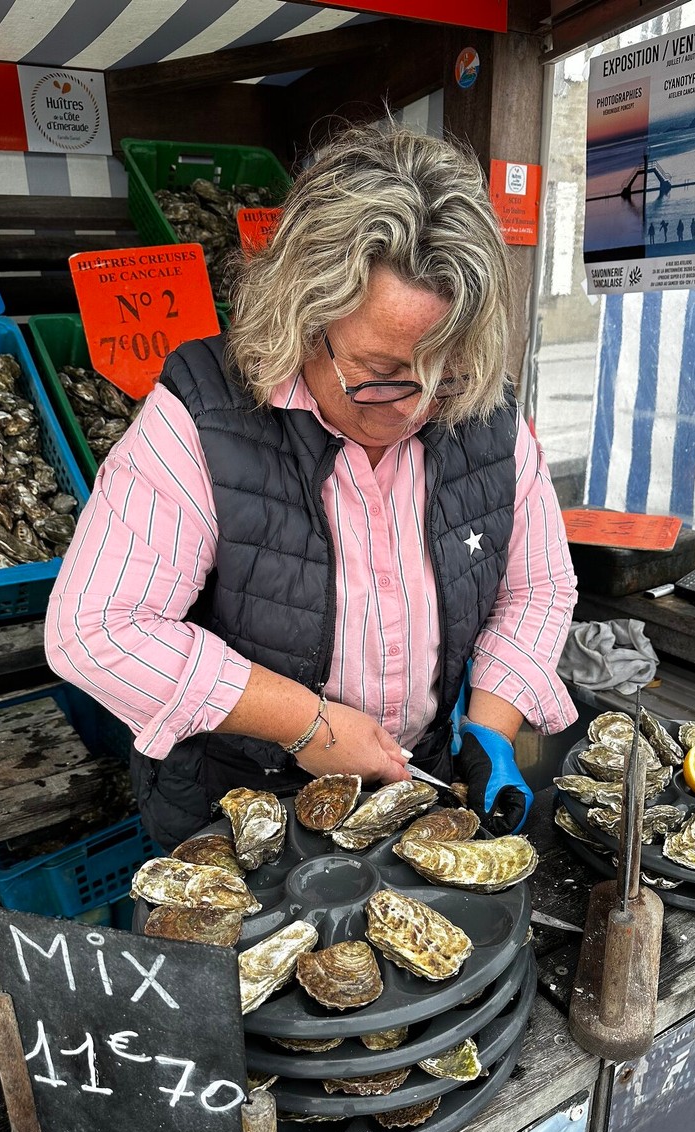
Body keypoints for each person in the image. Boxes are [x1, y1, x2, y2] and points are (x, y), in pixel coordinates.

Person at [45, 122, 578, 852]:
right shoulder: (203, 412)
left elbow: (537, 588)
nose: (417, 406)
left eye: (444, 372)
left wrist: (492, 721)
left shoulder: (485, 411)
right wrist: (306, 723)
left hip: (416, 793)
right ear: (303, 315)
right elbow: (98, 632)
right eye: (382, 372)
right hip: (239, 814)